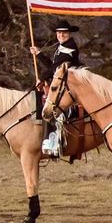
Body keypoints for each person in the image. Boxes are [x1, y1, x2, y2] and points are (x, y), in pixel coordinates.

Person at [31, 20, 84, 157]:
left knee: (52, 106)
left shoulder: (69, 47)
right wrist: (38, 54)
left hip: (70, 85)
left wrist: (42, 78)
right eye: (59, 32)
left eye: (64, 32)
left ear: (69, 33)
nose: (61, 35)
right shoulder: (62, 46)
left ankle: (54, 141)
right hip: (62, 83)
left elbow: (56, 68)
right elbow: (52, 65)